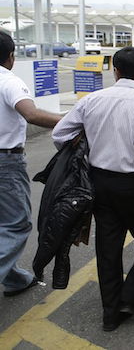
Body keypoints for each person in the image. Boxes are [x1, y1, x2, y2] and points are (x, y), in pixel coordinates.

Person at [52, 46, 134, 332]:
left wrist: (85, 150)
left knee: (108, 247)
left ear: (115, 70)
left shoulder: (93, 100)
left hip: (98, 183)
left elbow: (59, 134)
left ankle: (111, 314)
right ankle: (133, 298)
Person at [0, 31, 62, 297]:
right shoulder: (8, 80)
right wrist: (70, 121)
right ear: (11, 56)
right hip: (6, 162)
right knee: (16, 223)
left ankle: (14, 279)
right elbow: (31, 113)